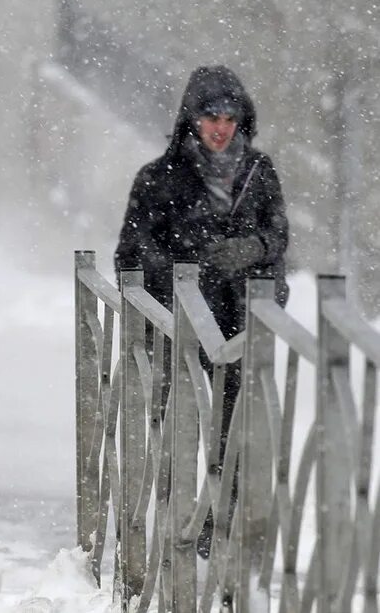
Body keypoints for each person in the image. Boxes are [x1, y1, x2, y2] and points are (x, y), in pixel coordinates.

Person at [114, 65, 289, 557]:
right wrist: (183, 269)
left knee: (236, 425)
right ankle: (176, 531)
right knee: (178, 427)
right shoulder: (157, 178)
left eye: (230, 117)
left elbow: (279, 238)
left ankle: (223, 525)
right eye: (210, 115)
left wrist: (250, 248)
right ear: (191, 118)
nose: (220, 126)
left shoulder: (260, 172)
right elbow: (130, 252)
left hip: (240, 325)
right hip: (180, 327)